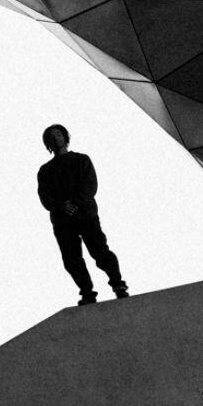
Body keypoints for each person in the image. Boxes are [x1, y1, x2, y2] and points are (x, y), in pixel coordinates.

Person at [37, 124, 130, 305]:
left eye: (58, 134)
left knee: (100, 251)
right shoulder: (45, 170)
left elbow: (90, 186)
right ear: (48, 143)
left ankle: (118, 285)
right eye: (51, 136)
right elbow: (45, 196)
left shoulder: (81, 160)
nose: (55, 138)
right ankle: (87, 293)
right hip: (62, 222)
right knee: (71, 259)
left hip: (86, 216)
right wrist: (61, 206)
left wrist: (75, 203)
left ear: (65, 137)